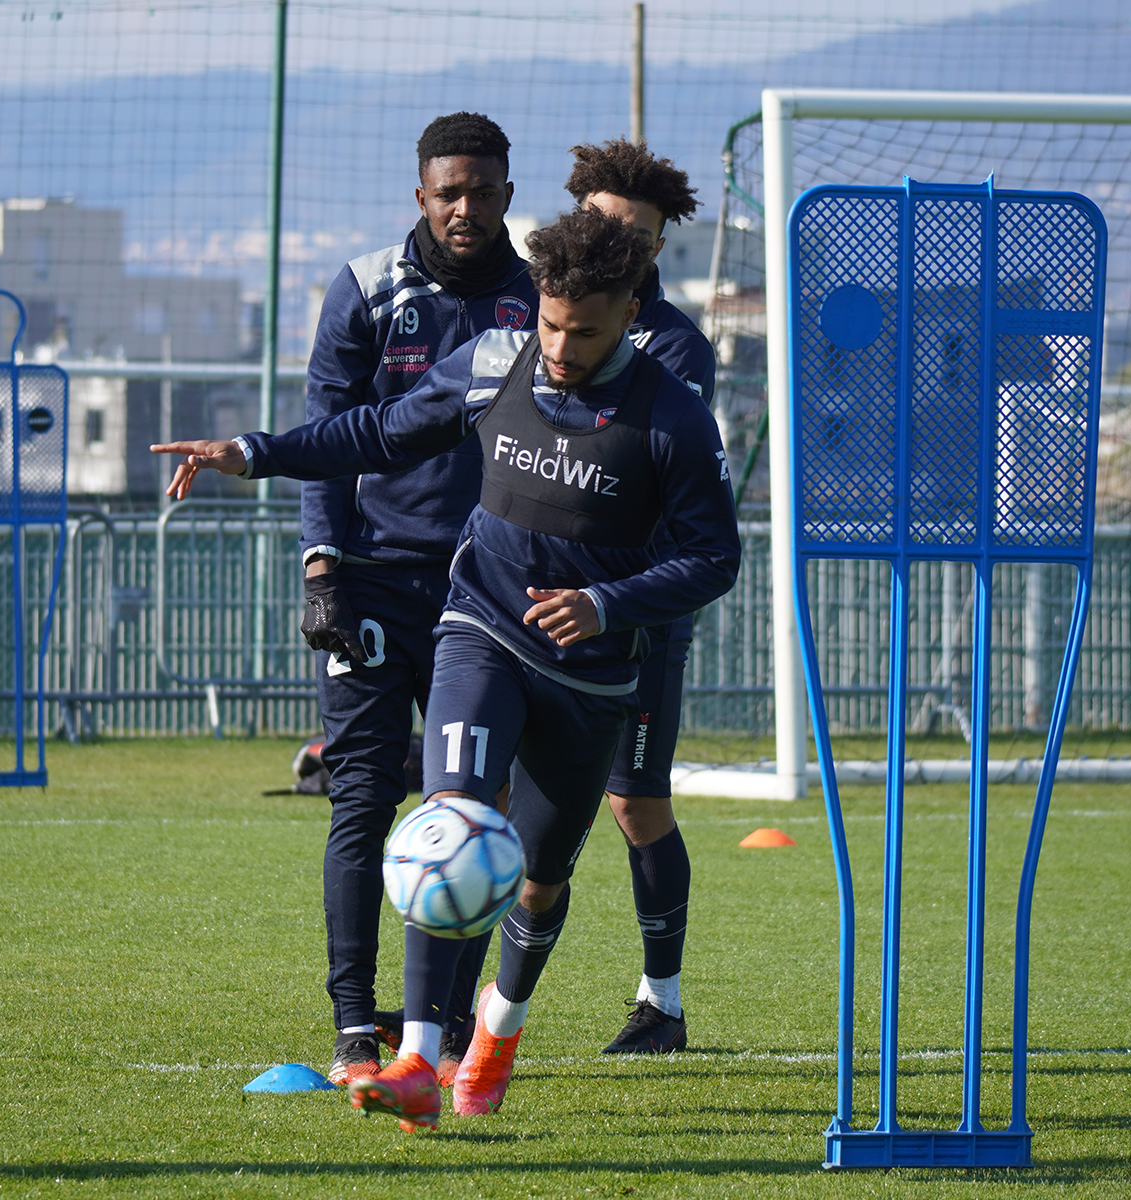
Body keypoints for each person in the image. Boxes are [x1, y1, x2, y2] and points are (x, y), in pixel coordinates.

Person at [153, 208, 741, 1132]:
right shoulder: (493, 360)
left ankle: (496, 1035)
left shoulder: (672, 419)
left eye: (582, 331)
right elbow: (379, 433)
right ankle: (421, 1058)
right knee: (452, 821)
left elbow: (714, 560)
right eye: (547, 323)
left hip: (588, 676)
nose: (557, 346)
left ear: (630, 312)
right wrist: (258, 453)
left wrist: (605, 605)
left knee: (539, 877)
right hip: (480, 624)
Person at [292, 111, 538, 1086]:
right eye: (449, 193)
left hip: (487, 599)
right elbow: (329, 434)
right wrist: (321, 569)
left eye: (482, 191)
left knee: (472, 812)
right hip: (371, 586)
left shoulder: (537, 302)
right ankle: (357, 1025)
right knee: (358, 797)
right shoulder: (363, 289)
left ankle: (429, 1030)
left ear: (507, 195)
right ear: (421, 196)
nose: (466, 208)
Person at [564, 139, 716, 1054]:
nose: (624, 242)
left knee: (635, 802)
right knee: (491, 796)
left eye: (644, 236)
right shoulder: (536, 312)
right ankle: (453, 1008)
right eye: (609, 223)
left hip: (636, 610)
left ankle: (662, 1004)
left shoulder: (674, 345)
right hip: (526, 601)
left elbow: (627, 458)